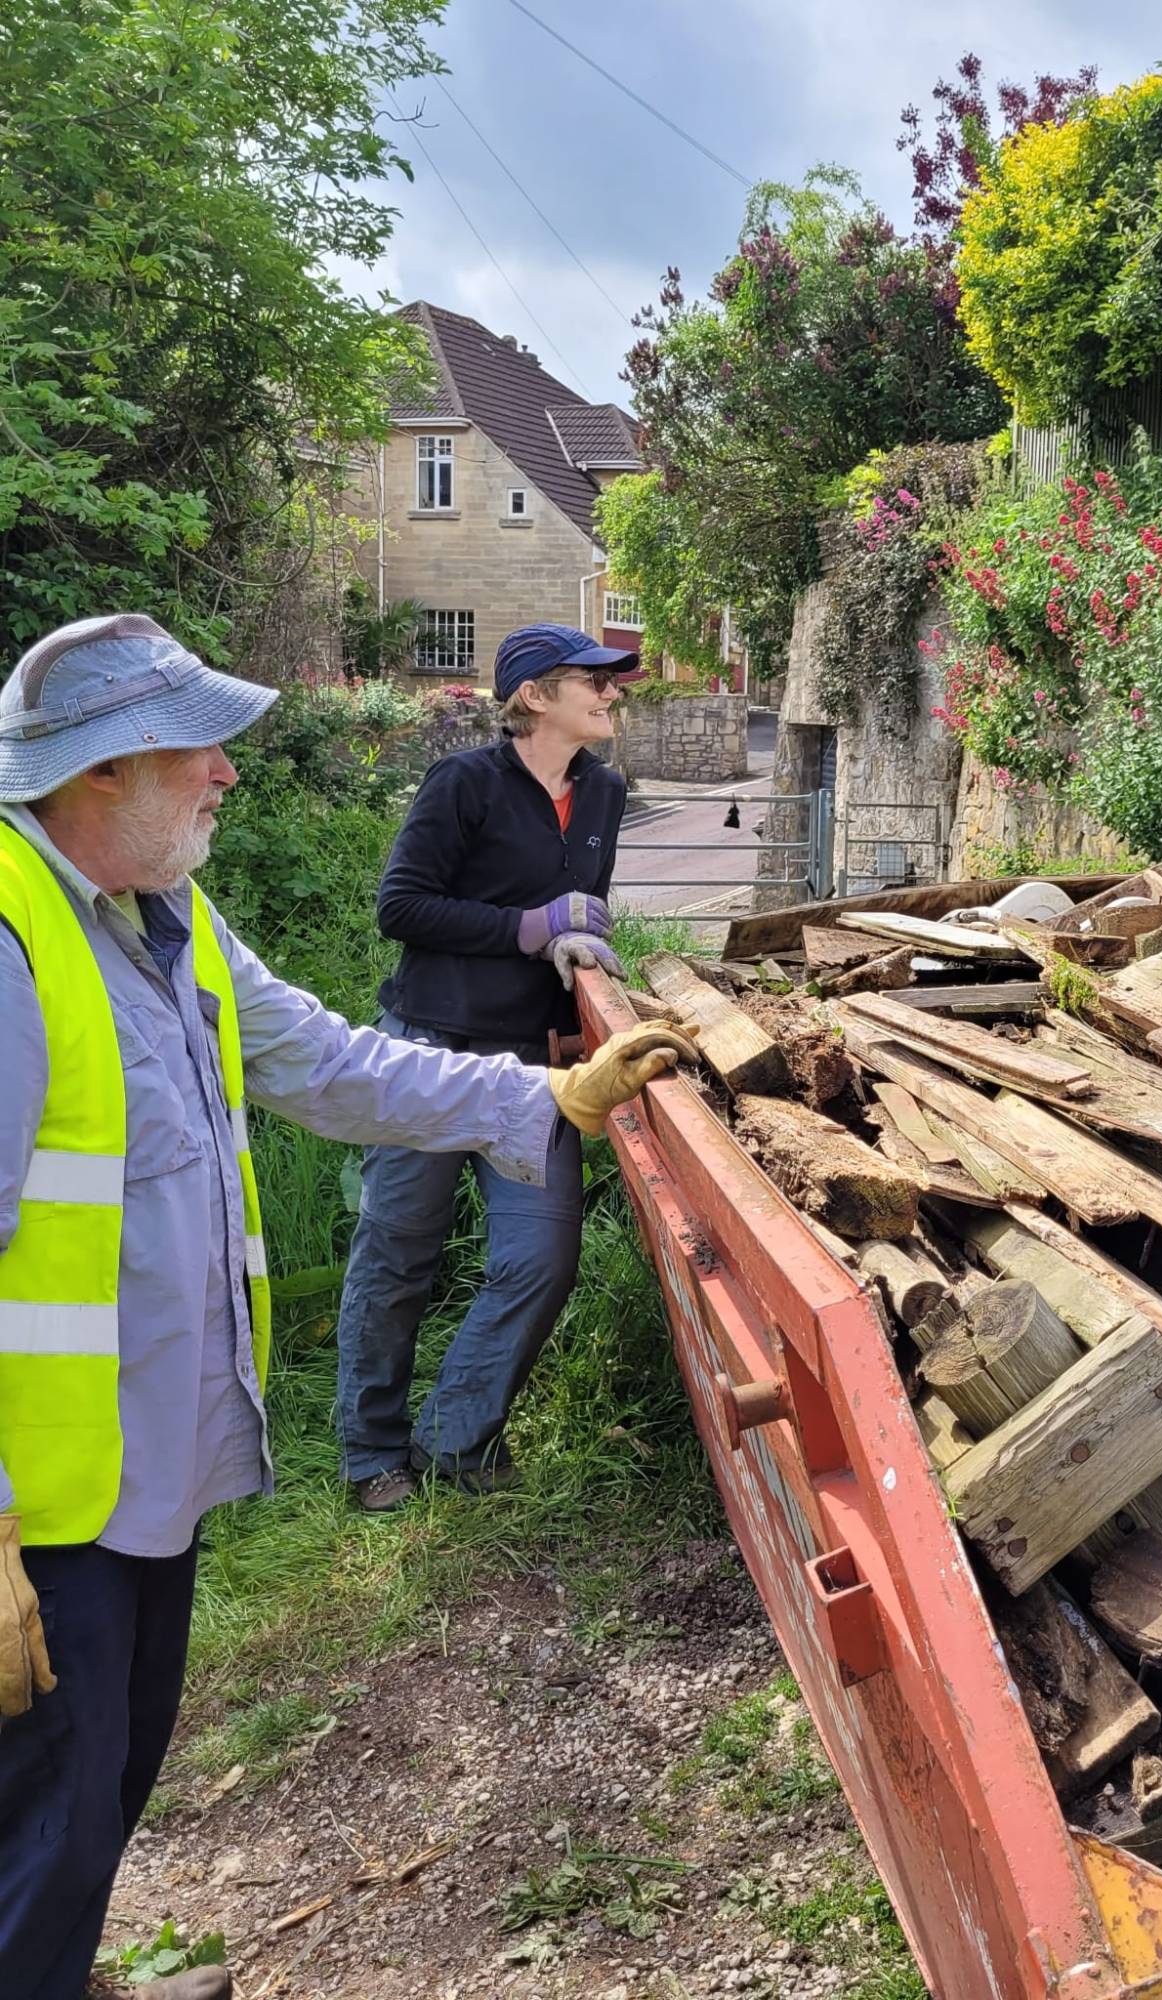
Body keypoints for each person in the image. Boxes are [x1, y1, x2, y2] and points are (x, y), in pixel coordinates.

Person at [0, 613, 692, 2000]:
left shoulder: (156, 914)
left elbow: (322, 1059)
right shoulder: (12, 950)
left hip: (140, 1478)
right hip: (39, 1521)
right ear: (100, 774)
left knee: (101, 1799)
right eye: (198, 750)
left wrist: (541, 1096)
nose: (228, 776)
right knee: (38, 1830)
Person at [333, 624, 643, 1511]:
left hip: (529, 1070)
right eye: (595, 680)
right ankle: (371, 1453)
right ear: (535, 695)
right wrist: (525, 928)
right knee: (398, 1253)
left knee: (541, 1255)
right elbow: (402, 906)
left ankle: (456, 1435)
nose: (612, 694)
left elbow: (581, 909)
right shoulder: (464, 784)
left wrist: (579, 946)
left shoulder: (604, 793)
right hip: (429, 1049)